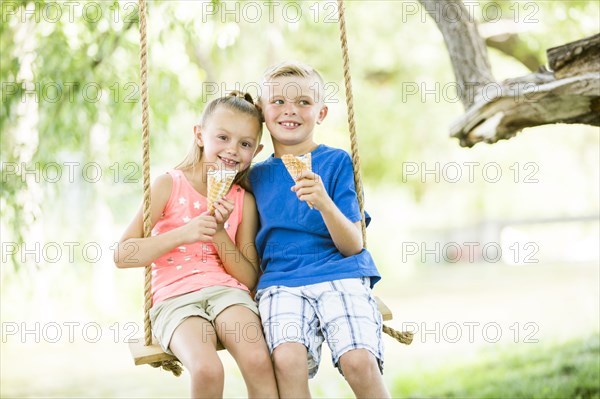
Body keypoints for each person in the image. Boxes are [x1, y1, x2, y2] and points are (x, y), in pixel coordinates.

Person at [114, 92, 279, 399]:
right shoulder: (168, 185)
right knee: (207, 370)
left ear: (256, 151)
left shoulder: (245, 201)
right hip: (175, 298)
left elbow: (248, 277)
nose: (232, 150)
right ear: (200, 135)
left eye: (244, 144)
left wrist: (217, 232)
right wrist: (185, 232)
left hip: (227, 293)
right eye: (223, 137)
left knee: (258, 360)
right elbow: (123, 255)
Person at [249, 61, 390, 398]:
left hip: (339, 272)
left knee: (358, 360)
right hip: (281, 282)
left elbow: (353, 245)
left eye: (303, 102)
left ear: (321, 113)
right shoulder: (253, 176)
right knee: (287, 360)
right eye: (278, 102)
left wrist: (325, 202)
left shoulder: (337, 162)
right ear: (262, 111)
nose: (290, 111)